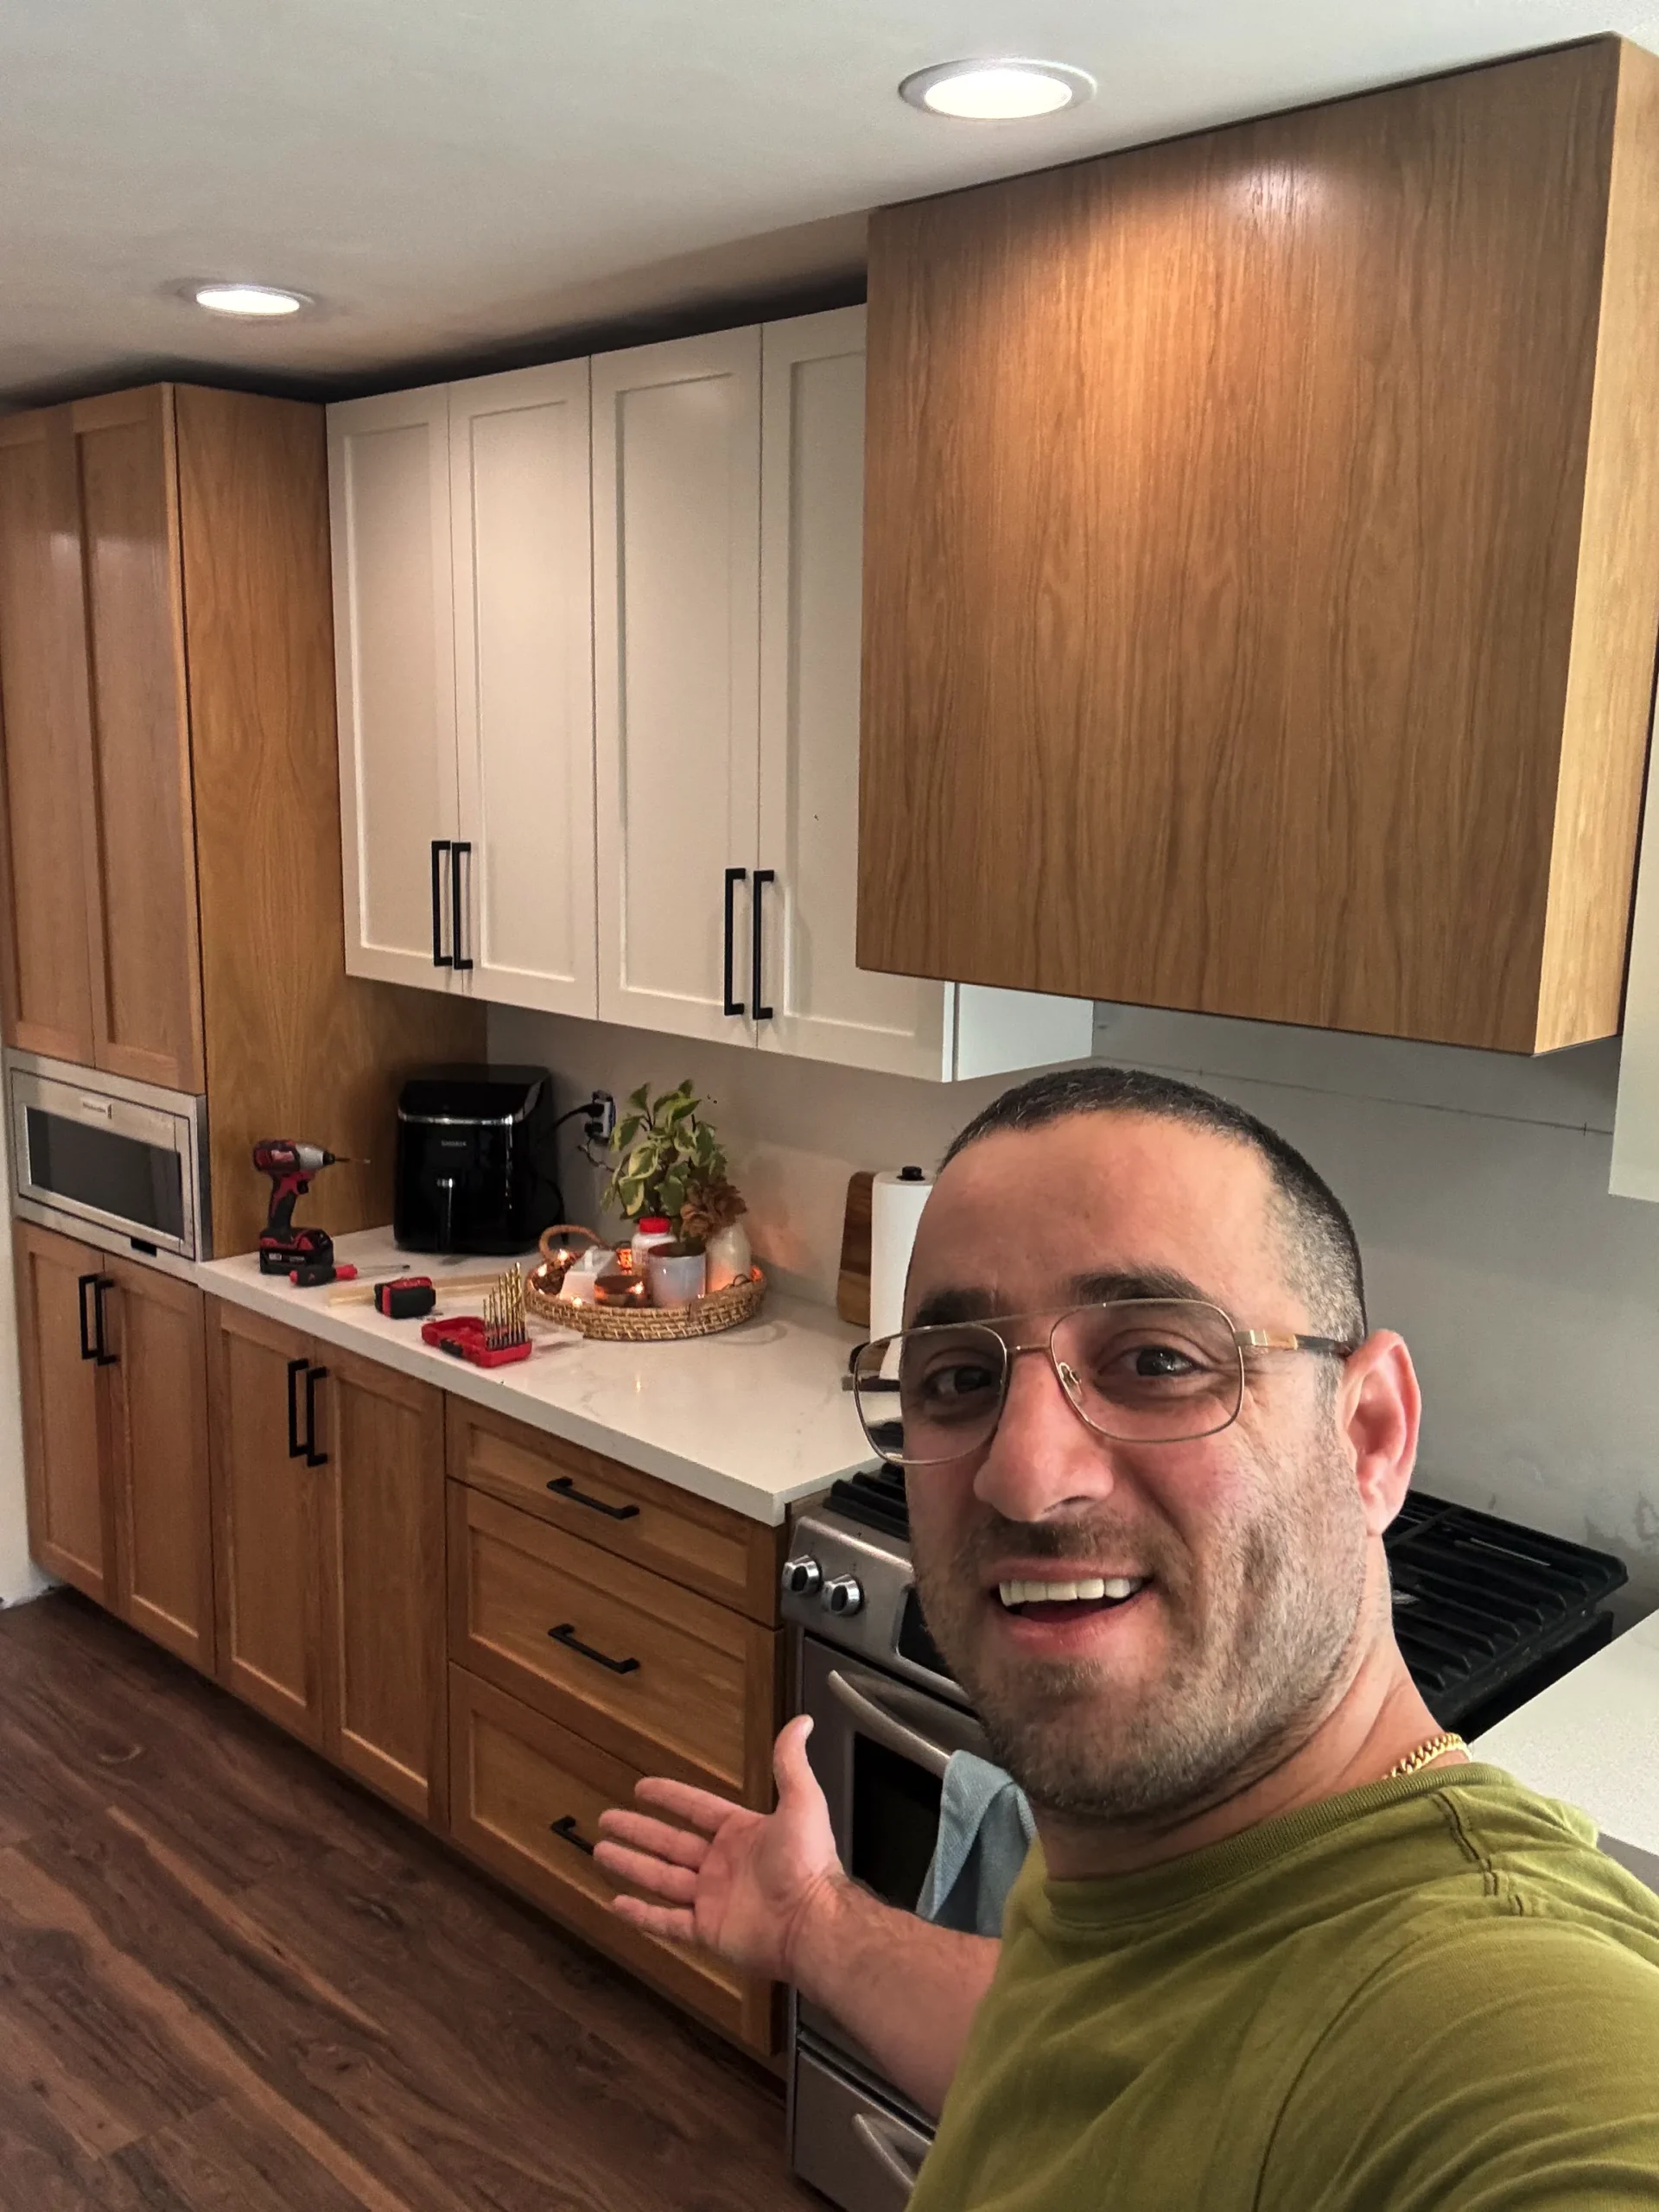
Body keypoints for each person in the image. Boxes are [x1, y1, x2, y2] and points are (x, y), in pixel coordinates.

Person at [594, 1066, 1659, 2209]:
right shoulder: (1150, 1851)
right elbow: (1080, 2044)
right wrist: (819, 1924)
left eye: (1156, 1361)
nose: (1022, 1472)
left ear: (1369, 1437)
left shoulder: (1504, 2029)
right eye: (958, 1378)